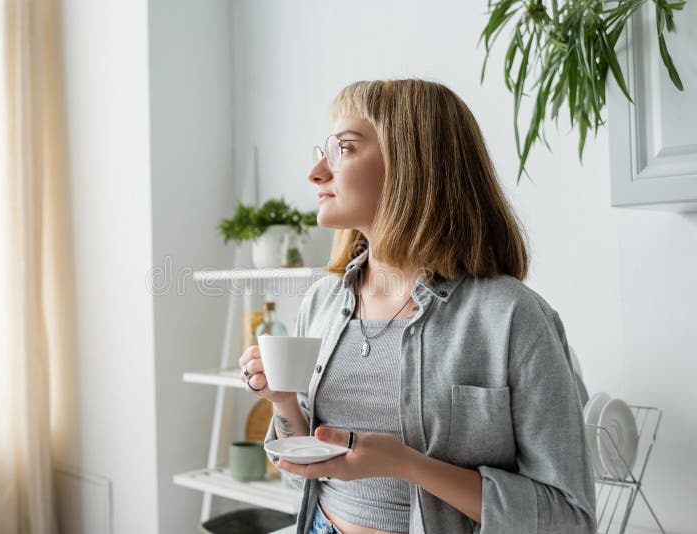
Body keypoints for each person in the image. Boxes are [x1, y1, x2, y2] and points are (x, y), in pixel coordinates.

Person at [238, 79, 596, 534]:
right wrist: (283, 402)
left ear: (412, 164)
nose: (315, 172)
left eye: (343, 149)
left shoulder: (512, 317)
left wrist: (409, 466)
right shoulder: (322, 303)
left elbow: (568, 518)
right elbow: (306, 474)